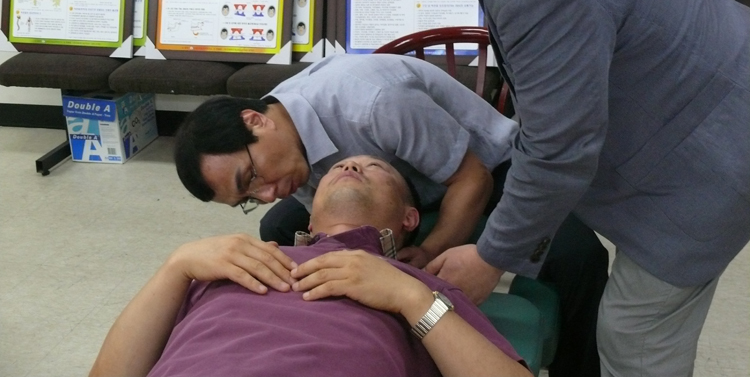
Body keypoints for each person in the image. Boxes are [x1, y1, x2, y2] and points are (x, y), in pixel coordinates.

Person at [300, 0, 750, 376]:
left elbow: (560, 147)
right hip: (705, 77)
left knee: (635, 337)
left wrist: (492, 257)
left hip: (711, 150)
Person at [174, 53, 608, 376]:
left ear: (256, 120)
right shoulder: (286, 151)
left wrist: (427, 254)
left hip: (480, 171)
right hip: (394, 190)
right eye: (248, 196)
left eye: (251, 176)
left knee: (578, 257)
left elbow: (472, 179)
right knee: (277, 226)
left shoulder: (373, 102)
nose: (267, 193)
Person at [90, 156, 531, 377]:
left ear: (409, 219)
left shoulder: (418, 288)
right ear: (309, 217)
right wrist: (176, 265)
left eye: (375, 168)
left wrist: (409, 297)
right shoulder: (229, 263)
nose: (352, 164)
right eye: (339, 166)